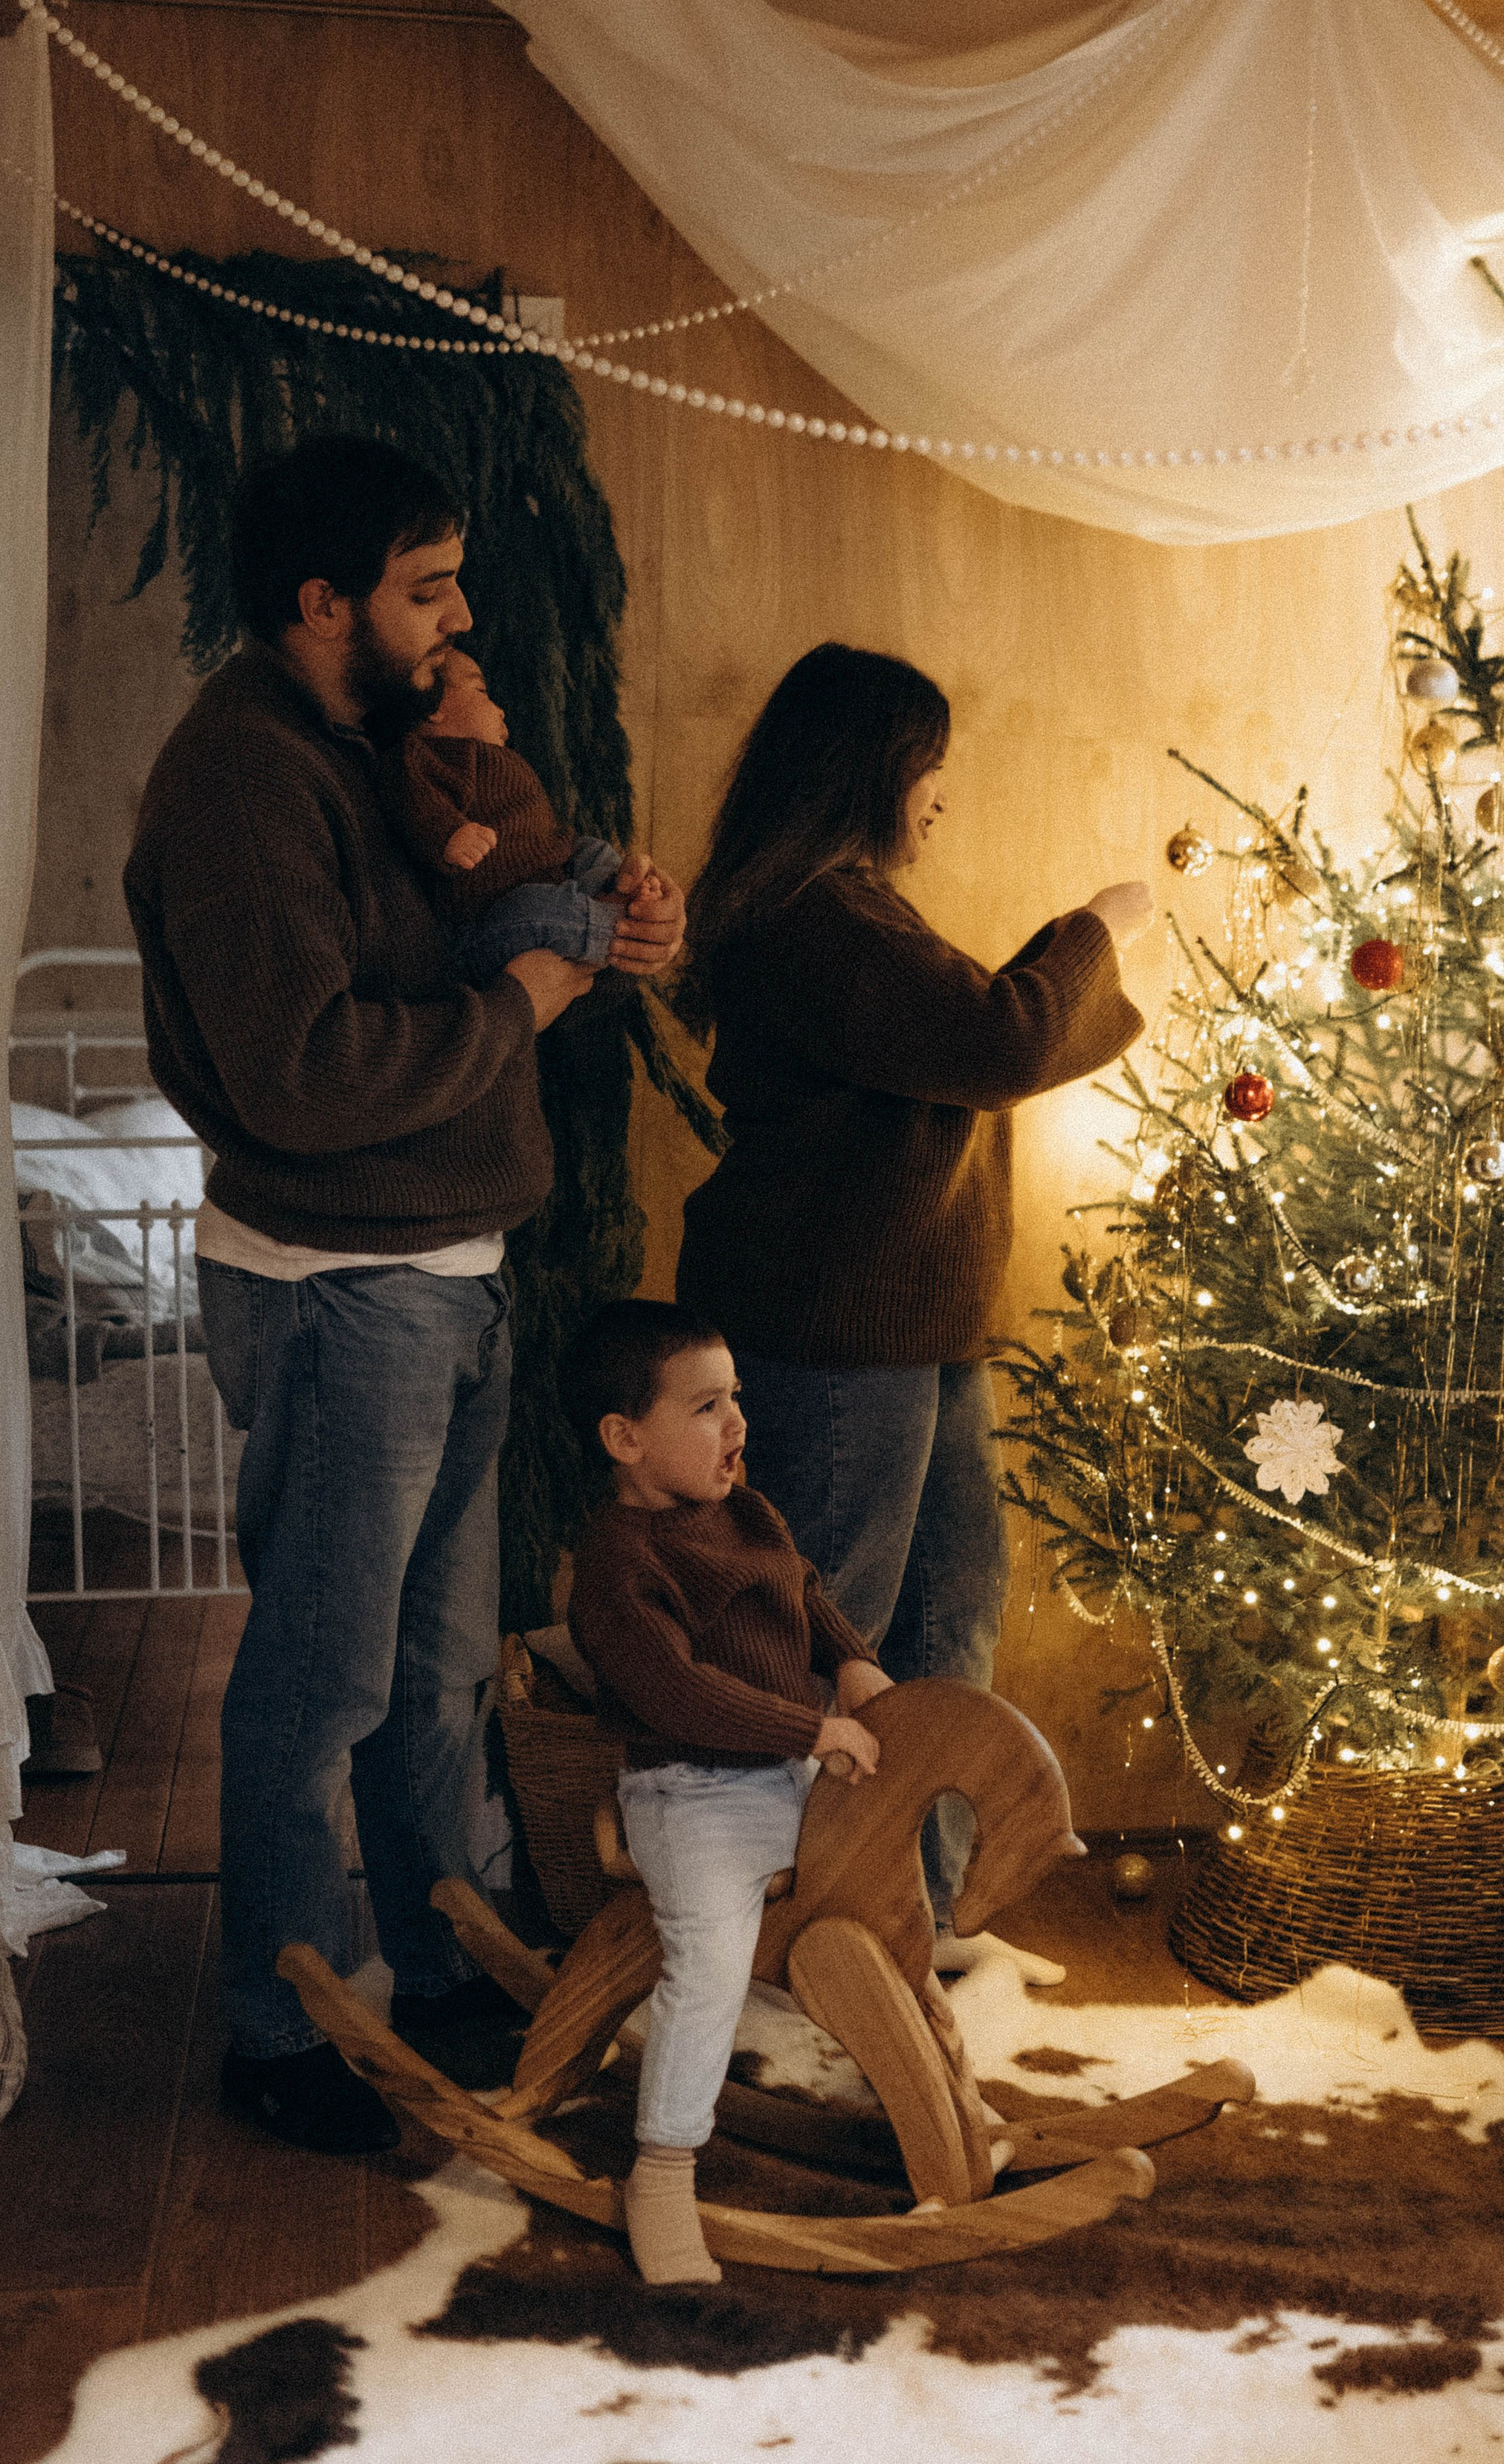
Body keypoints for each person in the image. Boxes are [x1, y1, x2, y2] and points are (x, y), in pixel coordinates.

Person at [122, 433, 685, 2156]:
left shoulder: (378, 739)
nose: (458, 620)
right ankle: (284, 2025)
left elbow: (470, 897)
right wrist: (528, 994)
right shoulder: (238, 777)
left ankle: (441, 1952)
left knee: (436, 1670)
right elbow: (302, 1072)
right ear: (321, 603)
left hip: (446, 1275)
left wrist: (601, 901)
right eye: (424, 589)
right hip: (332, 1290)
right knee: (321, 1676)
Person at [674, 641, 1150, 1927]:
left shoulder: (849, 906)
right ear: (869, 771)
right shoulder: (812, 915)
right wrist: (1101, 927)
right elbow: (1001, 1035)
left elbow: (971, 1041)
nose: (940, 794)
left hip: (913, 1332)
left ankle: (915, 1924)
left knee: (947, 1620)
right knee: (839, 1651)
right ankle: (785, 1933)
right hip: (835, 1338)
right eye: (927, 768)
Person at [564, 1297, 891, 2286]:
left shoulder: (746, 1511)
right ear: (625, 1438)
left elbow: (804, 1589)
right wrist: (811, 1727)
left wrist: (850, 1663)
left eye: (735, 1397)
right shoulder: (618, 1564)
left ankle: (936, 2093)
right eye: (706, 1407)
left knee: (885, 1899)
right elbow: (676, 1691)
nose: (737, 1425)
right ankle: (662, 2170)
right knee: (710, 1964)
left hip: (784, 1771)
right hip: (687, 1791)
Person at [382, 645, 661, 983]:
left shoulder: (499, 759)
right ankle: (622, 926)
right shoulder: (423, 755)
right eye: (481, 691)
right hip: (489, 916)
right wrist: (447, 833)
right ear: (433, 705)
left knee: (594, 850)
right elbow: (407, 797)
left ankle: (613, 888)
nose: (500, 710)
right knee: (540, 907)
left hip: (552, 870)